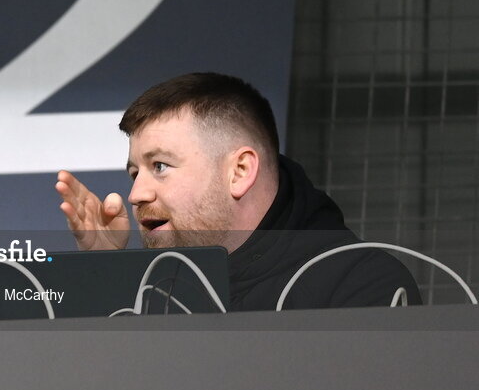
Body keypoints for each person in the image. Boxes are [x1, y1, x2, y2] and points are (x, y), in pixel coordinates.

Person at [56, 72, 420, 311]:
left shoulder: (360, 287)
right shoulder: (154, 291)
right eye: (135, 173)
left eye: (160, 166)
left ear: (240, 171)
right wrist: (104, 277)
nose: (136, 194)